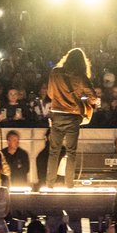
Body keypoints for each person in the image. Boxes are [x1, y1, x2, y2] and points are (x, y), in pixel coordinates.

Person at [44, 48, 97, 188]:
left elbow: (50, 94)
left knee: (54, 151)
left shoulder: (55, 72)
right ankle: (69, 183)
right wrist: (83, 98)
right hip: (73, 116)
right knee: (71, 152)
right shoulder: (80, 76)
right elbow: (93, 97)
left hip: (56, 114)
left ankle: (50, 183)